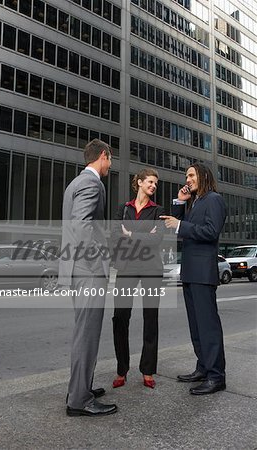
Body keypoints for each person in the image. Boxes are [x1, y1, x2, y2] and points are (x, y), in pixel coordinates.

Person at [58, 139, 117, 416]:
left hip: (75, 269)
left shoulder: (74, 183)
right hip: (88, 272)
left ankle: (80, 388)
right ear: (103, 156)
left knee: (84, 333)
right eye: (110, 160)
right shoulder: (92, 184)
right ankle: (79, 400)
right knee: (87, 335)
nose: (110, 166)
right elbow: (82, 227)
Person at [160, 163, 227, 395]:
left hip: (203, 272)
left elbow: (210, 232)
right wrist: (179, 203)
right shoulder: (195, 201)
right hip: (190, 271)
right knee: (196, 326)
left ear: (203, 176)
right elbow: (176, 230)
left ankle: (216, 376)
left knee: (208, 326)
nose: (187, 179)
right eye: (186, 175)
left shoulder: (214, 199)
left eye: (190, 175)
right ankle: (203, 367)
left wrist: (180, 224)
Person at [111, 168, 165, 389]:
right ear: (140, 182)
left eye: (156, 183)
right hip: (126, 267)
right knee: (120, 317)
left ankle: (148, 371)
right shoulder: (124, 209)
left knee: (150, 318)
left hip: (151, 268)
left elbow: (157, 239)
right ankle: (122, 369)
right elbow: (115, 236)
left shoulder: (158, 210)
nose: (153, 186)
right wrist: (143, 237)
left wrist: (131, 235)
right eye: (150, 182)